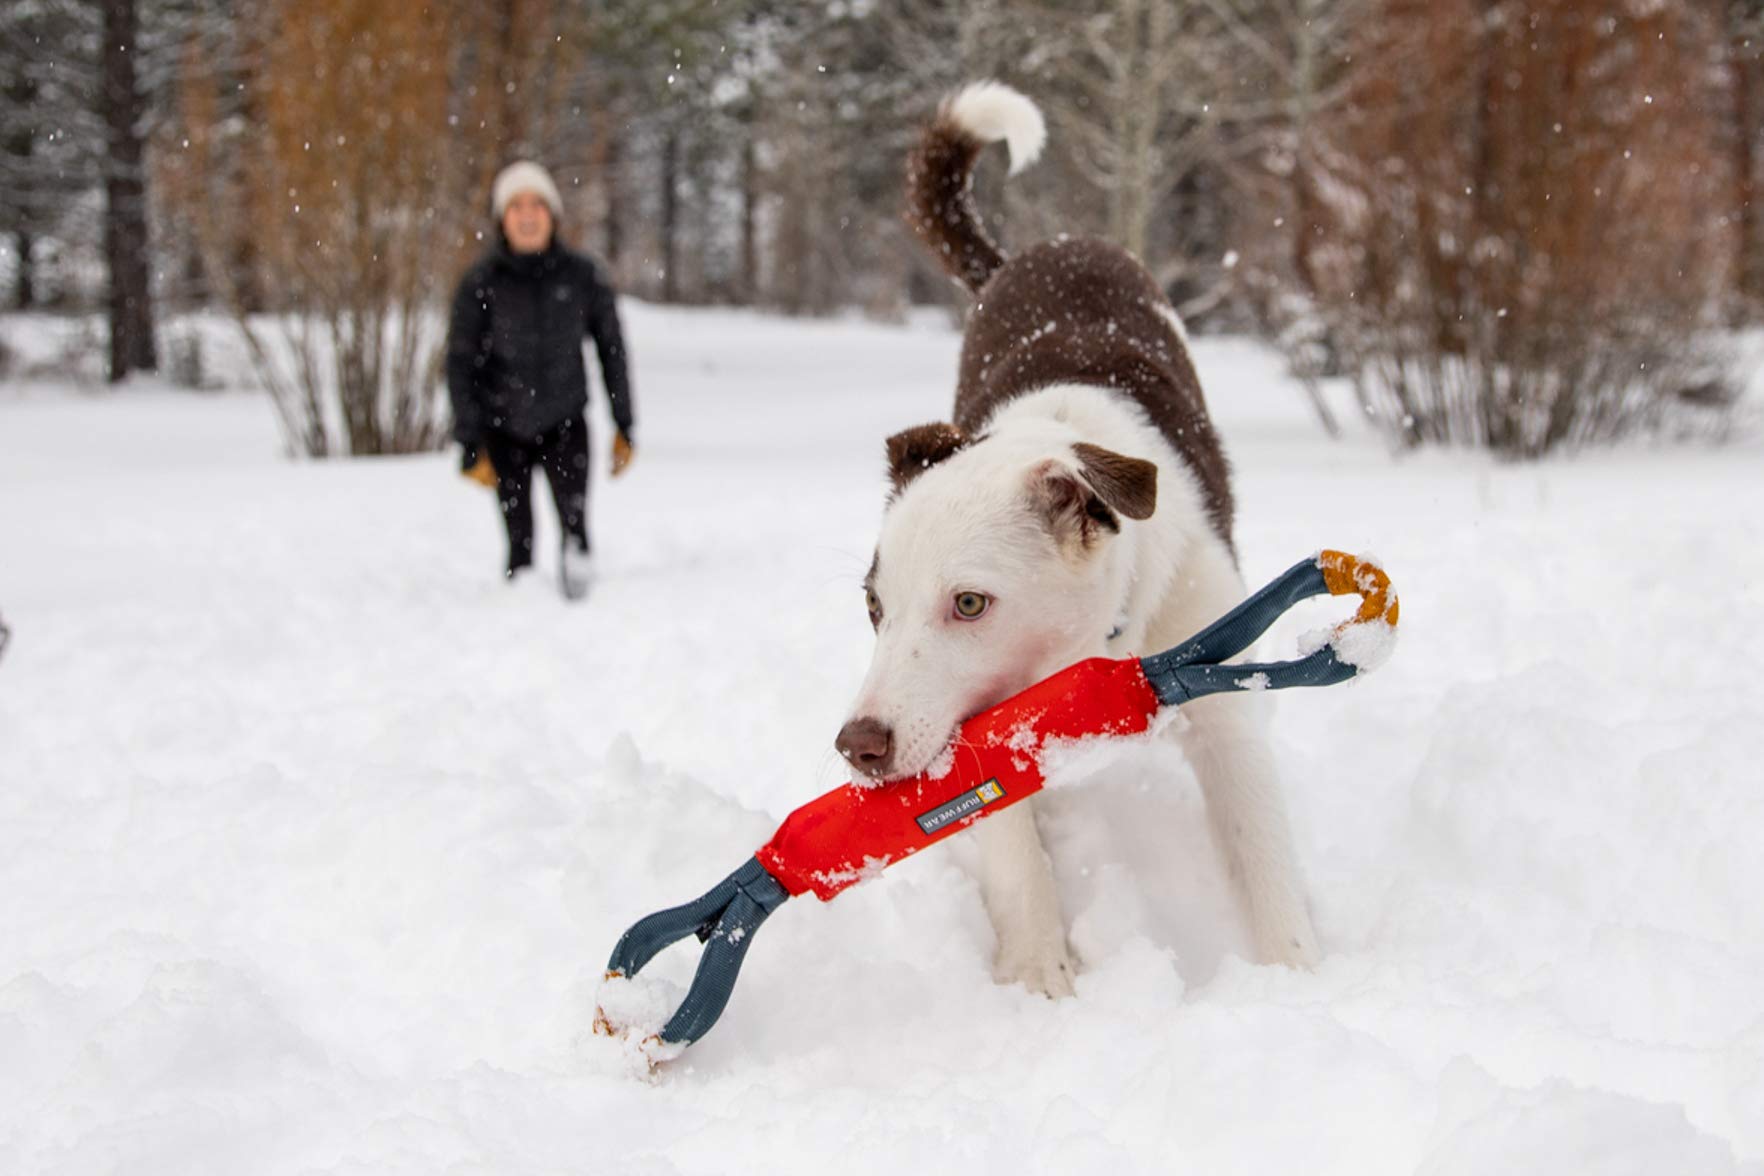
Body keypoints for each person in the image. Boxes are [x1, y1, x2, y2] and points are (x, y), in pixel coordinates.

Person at [447, 160, 635, 599]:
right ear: (502, 218)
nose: (528, 215)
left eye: (537, 205)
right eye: (517, 206)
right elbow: (460, 363)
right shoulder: (480, 283)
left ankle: (586, 618)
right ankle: (521, 632)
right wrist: (469, 440)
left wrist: (625, 423)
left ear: (553, 215)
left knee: (576, 534)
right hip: (504, 429)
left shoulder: (582, 276)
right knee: (520, 546)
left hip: (566, 424)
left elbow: (612, 349)